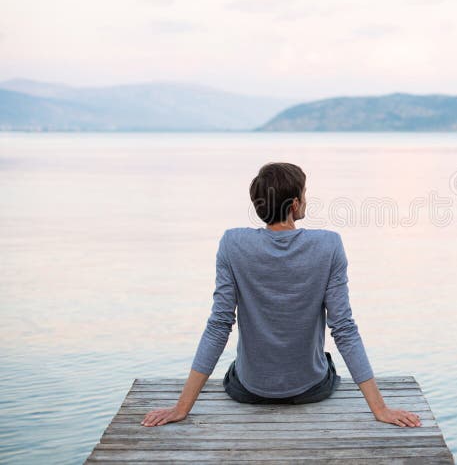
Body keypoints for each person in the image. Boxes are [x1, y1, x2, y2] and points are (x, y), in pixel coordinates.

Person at [141, 162, 422, 428]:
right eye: (305, 193)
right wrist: (380, 410)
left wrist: (181, 409)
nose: (307, 200)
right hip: (311, 389)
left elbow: (218, 326)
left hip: (249, 390)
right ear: (295, 204)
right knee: (325, 362)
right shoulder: (329, 245)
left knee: (238, 366)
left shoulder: (232, 244)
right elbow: (344, 329)